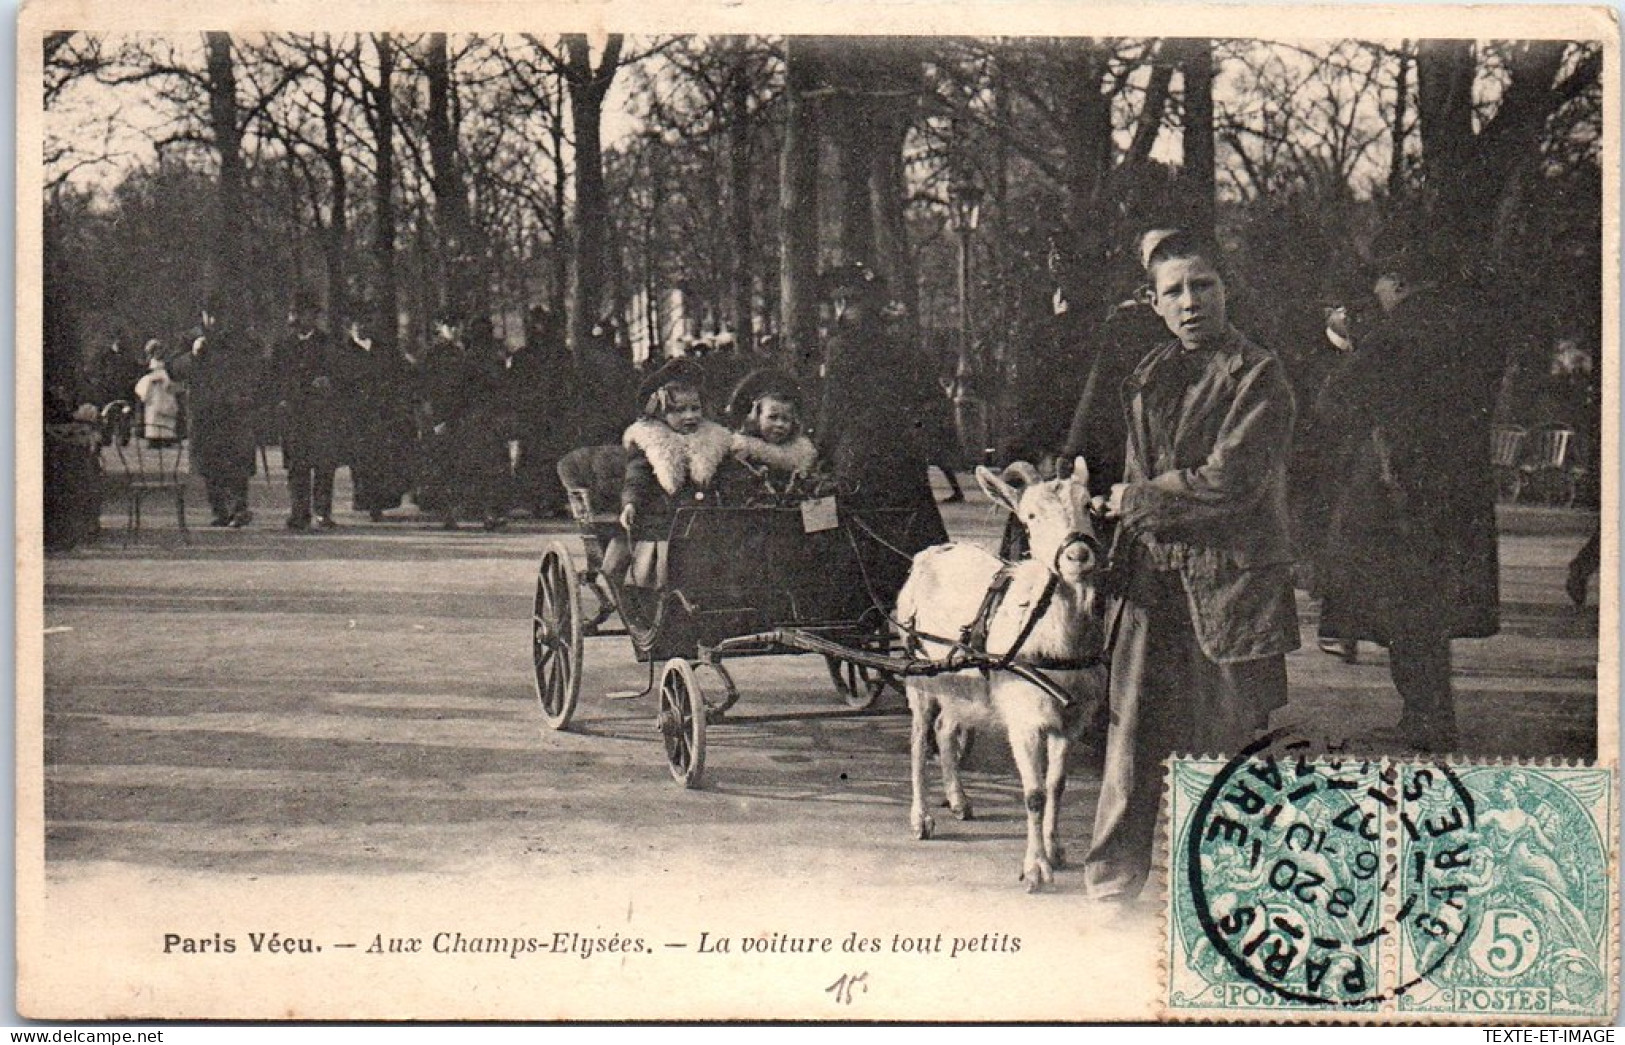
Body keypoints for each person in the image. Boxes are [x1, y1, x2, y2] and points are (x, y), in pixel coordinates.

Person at [1084, 231, 1300, 901]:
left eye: (1201, 285)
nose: (1189, 301)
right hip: (1151, 582)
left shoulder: (1259, 375)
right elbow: (1132, 470)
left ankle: (1229, 894)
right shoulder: (1149, 372)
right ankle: (1111, 886)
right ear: (1152, 302)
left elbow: (1229, 480)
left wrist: (1139, 499)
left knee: (1228, 745)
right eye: (1172, 290)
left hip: (1229, 588)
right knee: (1130, 738)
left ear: (1225, 289)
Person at [1310, 240, 1502, 752]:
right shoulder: (1469, 325)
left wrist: (1351, 348)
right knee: (1431, 613)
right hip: (1457, 492)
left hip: (1401, 493)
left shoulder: (1398, 329)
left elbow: (1337, 401)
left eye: (1380, 284)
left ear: (1397, 281)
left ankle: (1426, 719)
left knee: (1405, 609)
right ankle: (1429, 715)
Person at [813, 261, 948, 553]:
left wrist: (820, 454)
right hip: (901, 457)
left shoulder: (840, 347)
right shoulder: (904, 344)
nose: (842, 310)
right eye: (839, 301)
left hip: (858, 457)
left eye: (850, 301)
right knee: (913, 538)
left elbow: (833, 408)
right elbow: (933, 400)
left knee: (854, 537)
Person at [619, 357, 739, 594]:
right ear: (660, 414)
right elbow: (636, 477)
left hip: (705, 520)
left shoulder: (714, 440)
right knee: (671, 549)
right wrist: (630, 504)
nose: (690, 416)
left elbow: (728, 476)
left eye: (695, 408)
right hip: (664, 519)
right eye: (679, 410)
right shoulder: (651, 442)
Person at [175, 308, 260, 527]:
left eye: (220, 316)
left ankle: (239, 508)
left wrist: (245, 394)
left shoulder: (241, 340)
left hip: (233, 411)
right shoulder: (190, 338)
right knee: (210, 463)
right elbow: (173, 369)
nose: (215, 320)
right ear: (202, 315)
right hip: (205, 412)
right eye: (210, 315)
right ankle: (220, 510)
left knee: (236, 460)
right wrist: (192, 354)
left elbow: (254, 367)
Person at [275, 299, 349, 531]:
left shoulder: (328, 344)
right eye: (293, 313)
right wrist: (280, 400)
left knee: (324, 464)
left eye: (302, 313)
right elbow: (273, 379)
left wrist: (330, 381)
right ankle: (299, 512)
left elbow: (342, 375)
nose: (296, 318)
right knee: (297, 464)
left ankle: (322, 512)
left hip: (321, 412)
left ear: (313, 316)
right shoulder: (282, 346)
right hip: (294, 413)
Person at [344, 316, 416, 521]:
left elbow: (400, 375)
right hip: (357, 413)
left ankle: (379, 502)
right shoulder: (344, 352)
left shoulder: (384, 350)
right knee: (360, 459)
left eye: (367, 323)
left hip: (383, 412)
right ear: (349, 327)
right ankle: (364, 500)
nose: (363, 328)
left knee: (382, 458)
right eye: (358, 324)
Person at [725, 368, 820, 499]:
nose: (780, 424)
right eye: (773, 417)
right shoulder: (742, 453)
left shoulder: (802, 456)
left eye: (786, 419)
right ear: (757, 418)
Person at [133, 352, 182, 447]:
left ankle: (166, 438)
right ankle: (154, 438)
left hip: (163, 395)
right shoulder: (151, 376)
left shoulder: (165, 372)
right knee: (153, 416)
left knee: (164, 415)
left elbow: (169, 385)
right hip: (154, 395)